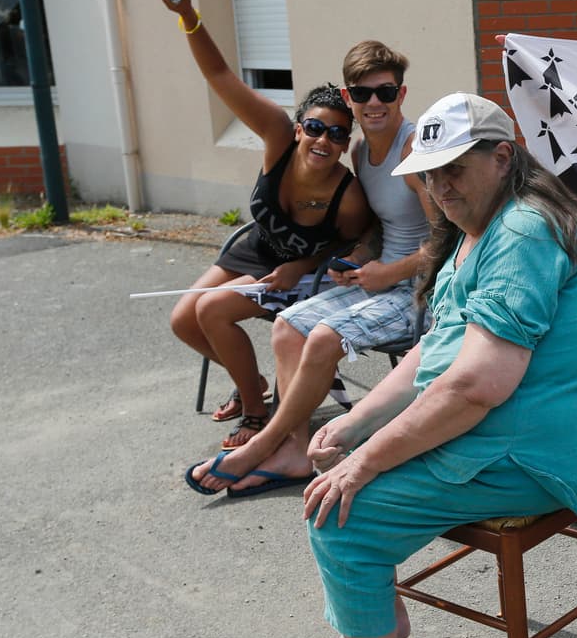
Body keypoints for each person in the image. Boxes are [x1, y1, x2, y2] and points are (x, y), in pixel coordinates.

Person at [283, 92, 577, 638]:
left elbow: (475, 385)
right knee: (346, 469)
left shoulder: (522, 231)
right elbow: (434, 355)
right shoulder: (483, 227)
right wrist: (356, 421)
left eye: (453, 171)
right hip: (511, 433)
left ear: (502, 158)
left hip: (531, 453)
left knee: (340, 513)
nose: (438, 189)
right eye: (429, 174)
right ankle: (383, 631)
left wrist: (368, 458)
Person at [185, 40, 434, 501]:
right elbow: (377, 230)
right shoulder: (360, 153)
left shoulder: (414, 149)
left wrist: (389, 271)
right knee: (286, 326)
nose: (374, 103)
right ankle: (296, 450)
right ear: (349, 98)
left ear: (401, 95)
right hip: (381, 279)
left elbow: (453, 238)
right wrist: (357, 261)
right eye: (362, 94)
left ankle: (263, 443)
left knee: (321, 336)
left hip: (423, 289)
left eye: (385, 92)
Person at [162, 0, 370, 449]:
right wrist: (188, 16)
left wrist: (303, 264)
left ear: (344, 144)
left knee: (212, 311)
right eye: (315, 128)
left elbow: (356, 244)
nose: (324, 140)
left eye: (338, 134)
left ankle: (257, 416)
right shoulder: (277, 136)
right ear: (300, 128)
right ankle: (252, 383)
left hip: (305, 273)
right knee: (182, 319)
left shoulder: (348, 195)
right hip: (258, 248)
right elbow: (218, 74)